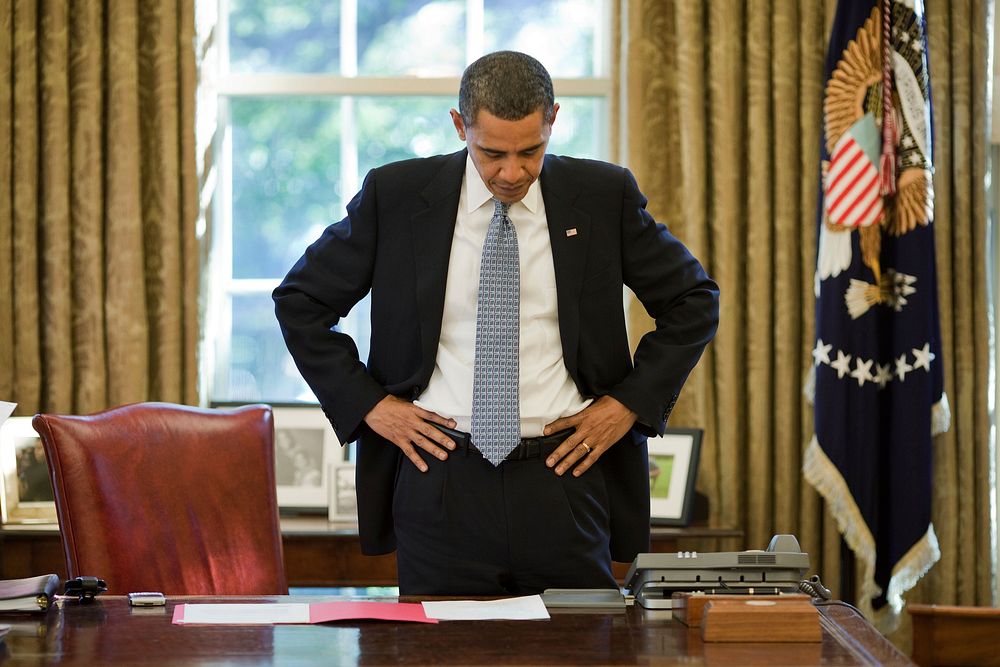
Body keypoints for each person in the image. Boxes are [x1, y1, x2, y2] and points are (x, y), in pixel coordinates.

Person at [273, 51, 719, 595]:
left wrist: (626, 405)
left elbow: (693, 300)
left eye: (531, 151)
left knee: (578, 653)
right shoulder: (395, 196)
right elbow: (300, 302)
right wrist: (371, 406)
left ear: (552, 119)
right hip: (439, 480)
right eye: (491, 153)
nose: (512, 173)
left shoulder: (603, 197)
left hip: (565, 478)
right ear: (461, 126)